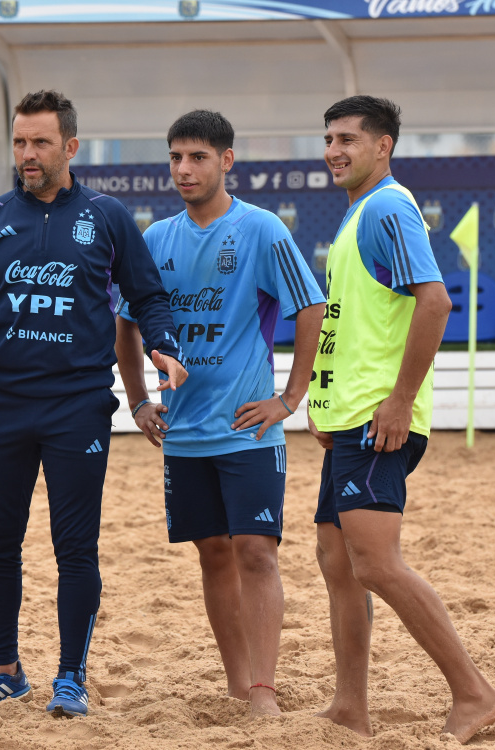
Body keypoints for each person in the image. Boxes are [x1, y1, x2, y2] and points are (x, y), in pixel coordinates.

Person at [0, 90, 188, 718]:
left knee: (74, 547)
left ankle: (70, 678)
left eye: (41, 142)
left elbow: (148, 296)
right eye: (21, 142)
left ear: (71, 147)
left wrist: (161, 346)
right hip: (0, 407)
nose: (28, 154)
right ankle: (3, 669)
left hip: (78, 406)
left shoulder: (106, 217)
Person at [308, 95, 495, 743]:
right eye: (330, 138)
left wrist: (398, 401)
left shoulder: (388, 206)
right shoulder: (360, 214)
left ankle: (475, 694)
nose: (335, 150)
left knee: (374, 563)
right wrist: (323, 397)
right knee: (337, 560)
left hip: (379, 418)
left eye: (348, 139)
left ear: (382, 145)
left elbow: (436, 302)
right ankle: (349, 707)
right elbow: (354, 325)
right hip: (351, 416)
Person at [114, 110, 325, 716]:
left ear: (227, 161)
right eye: (176, 156)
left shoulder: (261, 231)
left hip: (247, 430)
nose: (184, 168)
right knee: (211, 553)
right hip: (182, 433)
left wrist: (290, 397)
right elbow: (125, 322)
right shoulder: (154, 240)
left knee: (256, 551)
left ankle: (263, 690)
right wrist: (138, 399)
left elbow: (309, 306)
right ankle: (237, 683)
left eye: (198, 156)